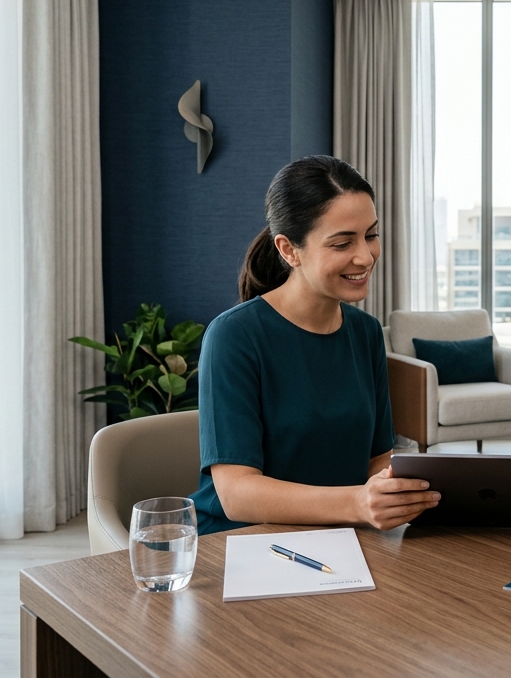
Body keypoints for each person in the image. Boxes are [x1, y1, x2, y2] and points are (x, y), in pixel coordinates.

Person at [188, 155, 440, 535]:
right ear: (289, 250)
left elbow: (377, 460)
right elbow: (236, 494)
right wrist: (356, 503)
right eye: (342, 243)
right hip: (238, 539)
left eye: (370, 235)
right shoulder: (234, 336)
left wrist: (392, 494)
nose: (365, 255)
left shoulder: (366, 332)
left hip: (340, 535)